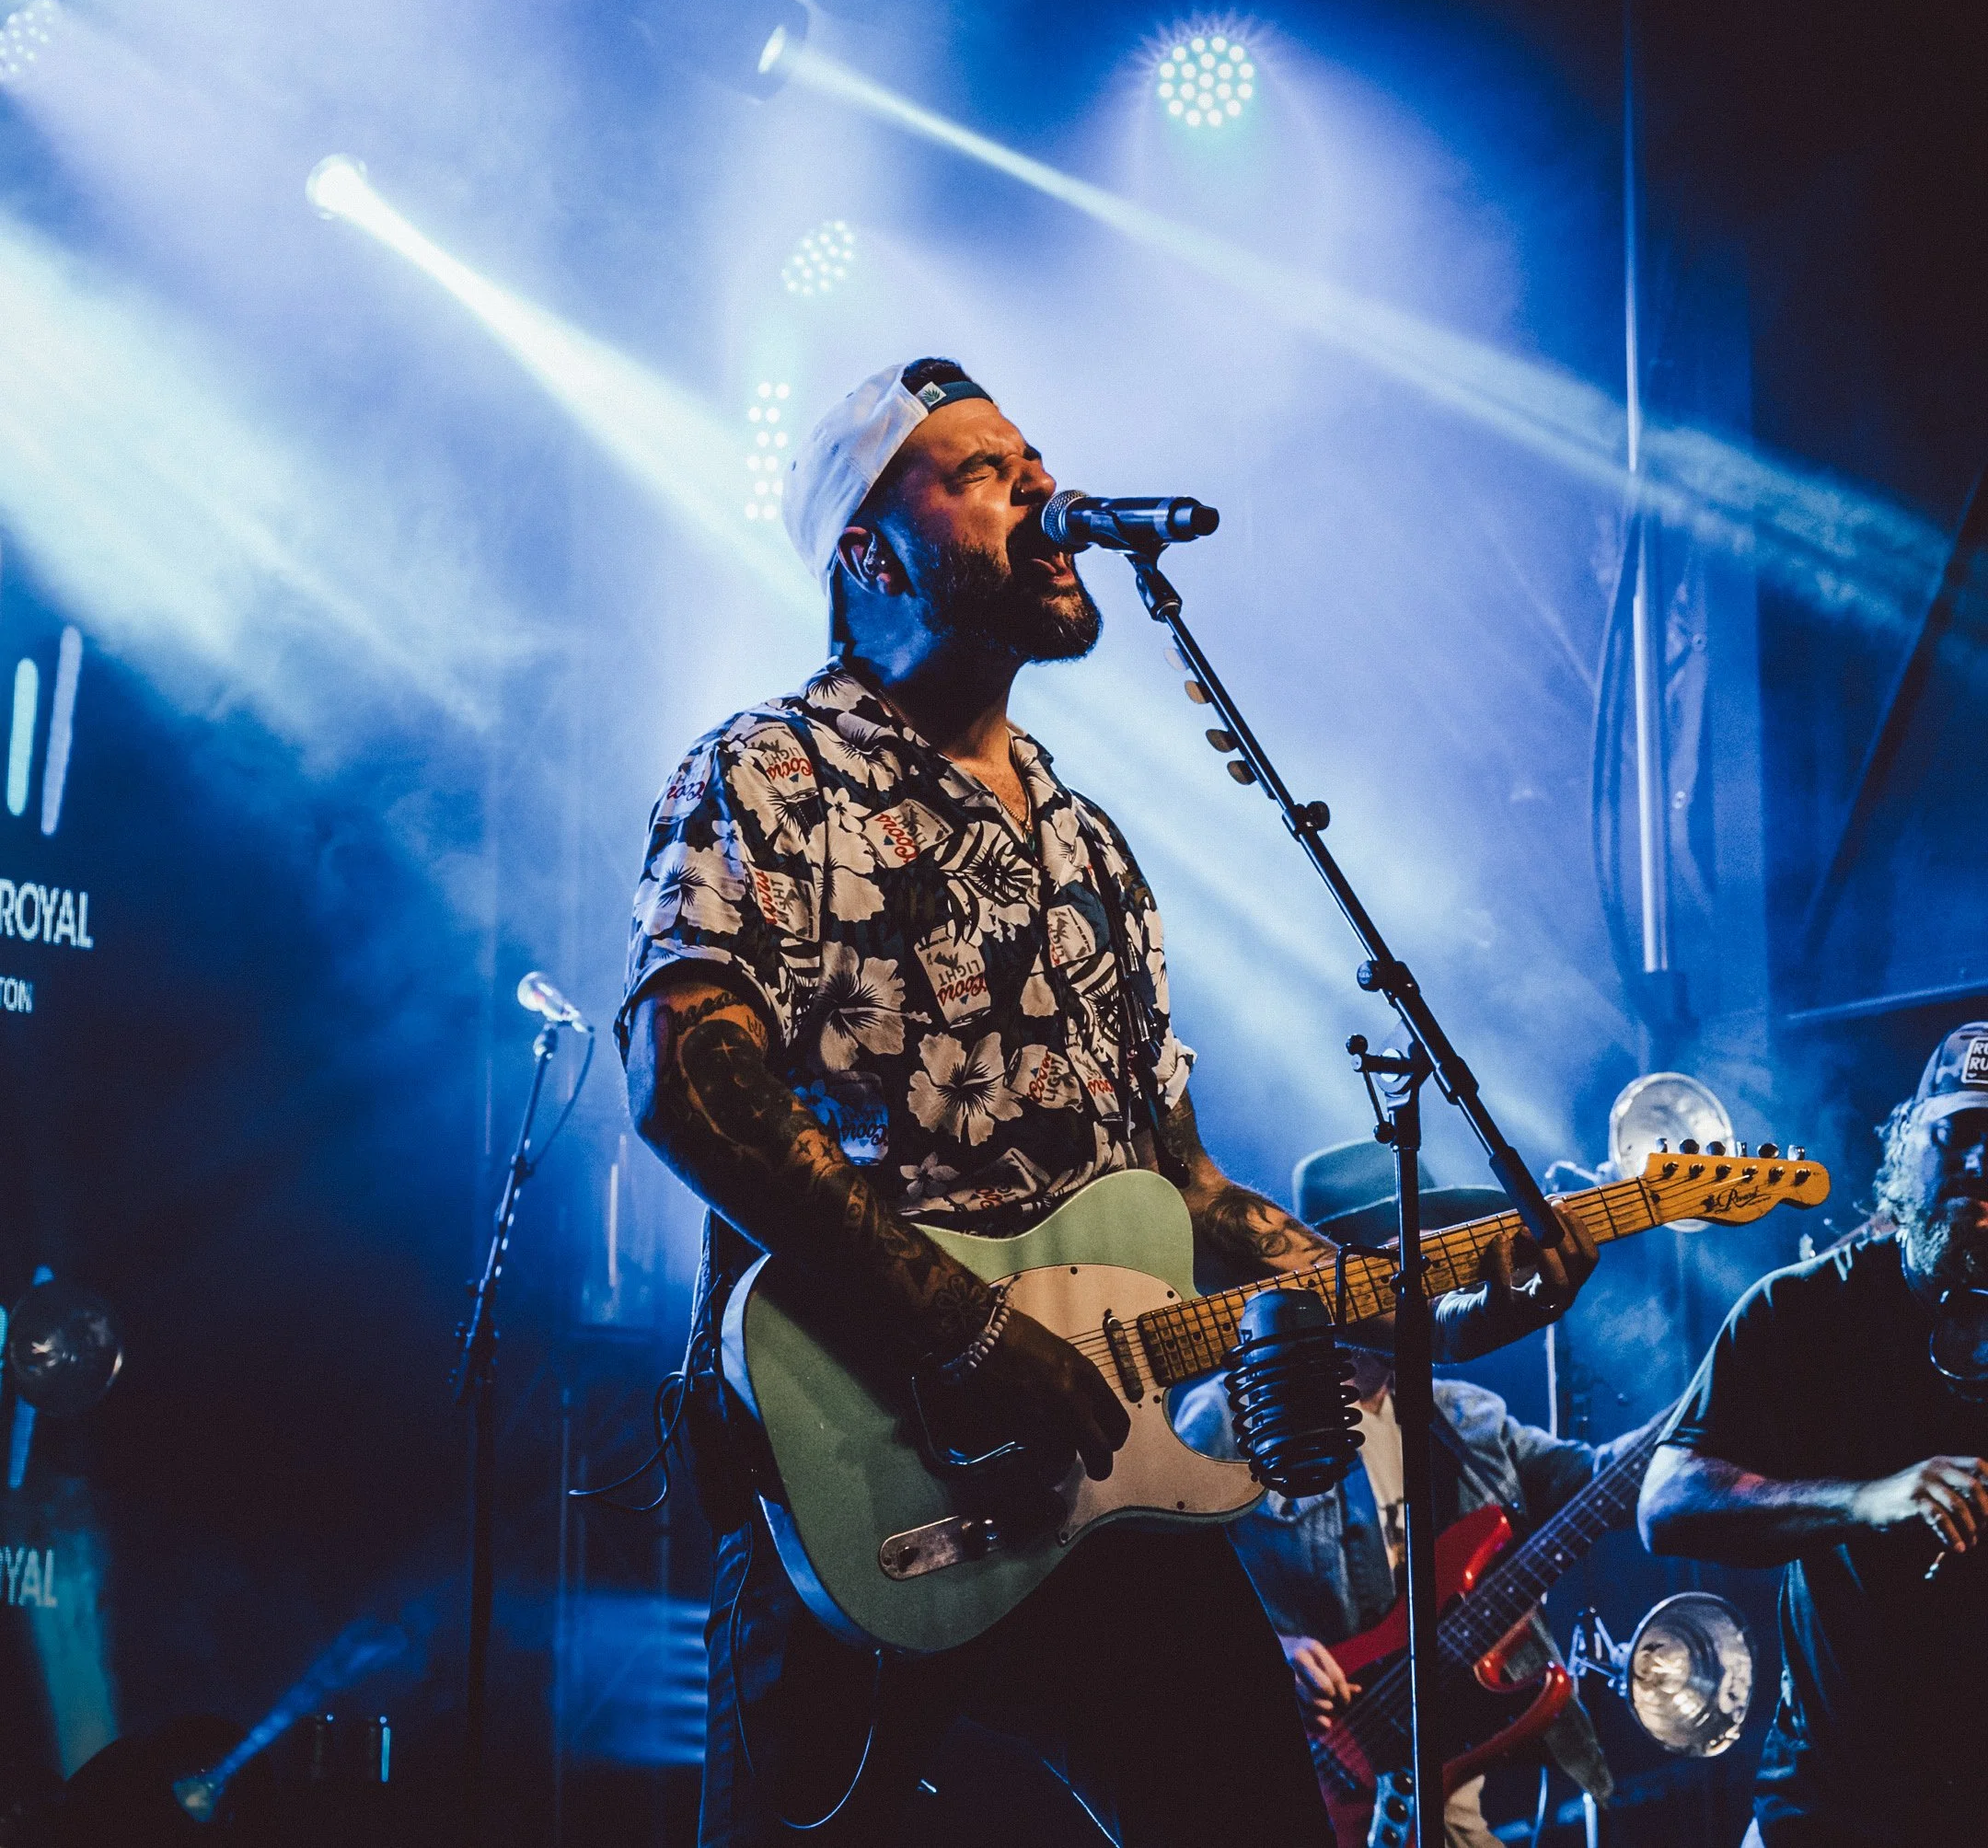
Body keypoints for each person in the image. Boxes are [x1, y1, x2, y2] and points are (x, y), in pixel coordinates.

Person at [618, 356, 1598, 1847]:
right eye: (984, 472)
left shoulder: (1091, 847)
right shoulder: (767, 773)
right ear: (869, 550)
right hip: (857, 1469)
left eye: (1036, 462)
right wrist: (965, 1325)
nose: (1042, 495)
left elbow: (1187, 1196)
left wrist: (1430, 1308)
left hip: (1101, 1487)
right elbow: (689, 1084)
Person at [1175, 1138, 1622, 1848]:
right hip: (1306, 1779)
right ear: (1330, 1269)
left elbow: (1596, 1477)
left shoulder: (1468, 1417)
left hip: (1440, 1789)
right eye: (1401, 1259)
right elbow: (1161, 1601)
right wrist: (1275, 1652)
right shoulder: (1231, 1418)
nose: (1428, 1278)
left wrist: (1715, 1391)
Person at [1639, 1019, 1988, 1845]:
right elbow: (1667, 1503)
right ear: (1906, 1145)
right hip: (1835, 1807)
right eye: (1959, 1137)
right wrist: (1866, 1501)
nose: (1980, 1169)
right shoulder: (1800, 1313)